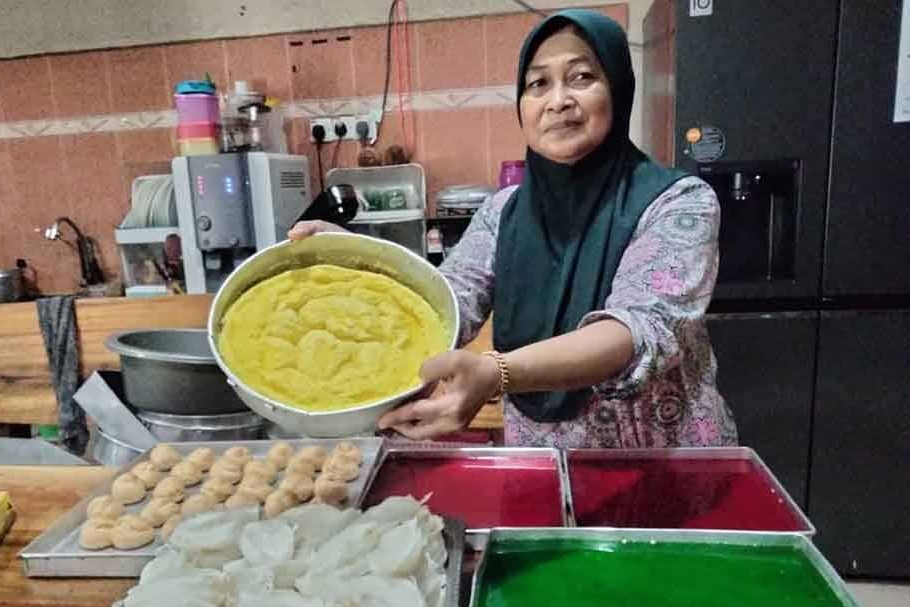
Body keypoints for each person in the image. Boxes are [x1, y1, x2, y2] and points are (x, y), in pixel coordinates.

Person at [289, 9, 737, 449]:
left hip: (663, 462)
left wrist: (495, 373)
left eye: (581, 77)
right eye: (538, 83)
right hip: (542, 458)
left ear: (618, 89)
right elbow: (447, 302)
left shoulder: (678, 202)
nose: (558, 100)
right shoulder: (501, 212)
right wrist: (364, 264)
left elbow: (638, 332)